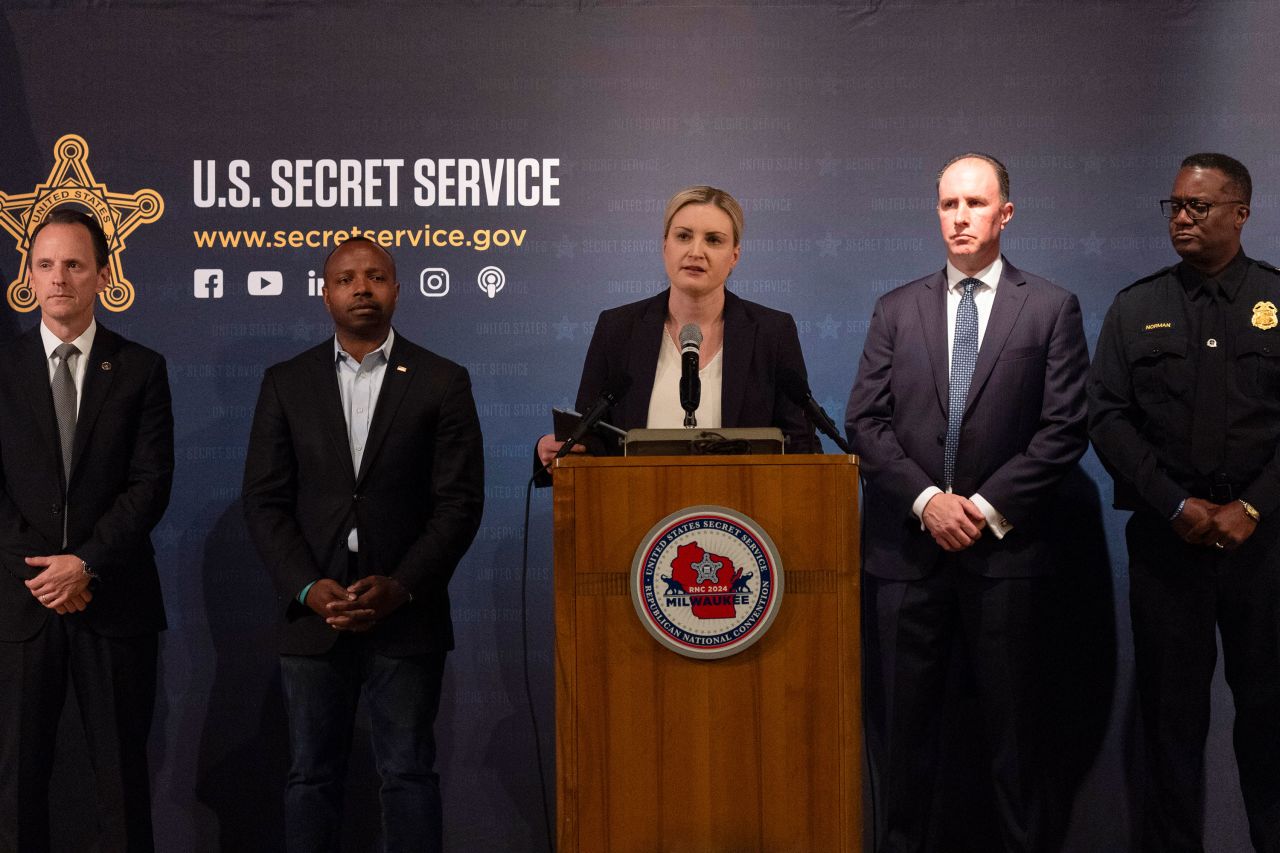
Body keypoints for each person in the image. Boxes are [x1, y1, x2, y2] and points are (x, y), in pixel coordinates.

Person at [845, 153, 1090, 852]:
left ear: (1005, 214)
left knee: (1017, 749)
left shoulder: (1049, 306)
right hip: (905, 558)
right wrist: (928, 500)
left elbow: (1064, 429)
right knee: (903, 748)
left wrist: (980, 508)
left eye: (976, 204)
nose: (960, 216)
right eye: (949, 204)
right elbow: (865, 423)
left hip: (1007, 561)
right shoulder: (896, 307)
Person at [242, 236, 484, 853]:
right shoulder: (286, 382)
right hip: (312, 612)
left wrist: (402, 587)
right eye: (347, 278)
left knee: (406, 774)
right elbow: (265, 501)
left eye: (375, 277)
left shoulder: (443, 381)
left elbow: (459, 504)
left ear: (397, 291)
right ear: (327, 294)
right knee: (309, 776)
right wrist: (306, 586)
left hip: (406, 613)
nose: (362, 288)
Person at [1088, 153, 1280, 852]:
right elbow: (1105, 414)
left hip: (1265, 547)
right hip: (1169, 545)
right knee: (1171, 722)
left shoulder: (1276, 300)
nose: (1183, 218)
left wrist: (1252, 506)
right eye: (1174, 206)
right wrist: (1174, 504)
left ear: (1242, 212)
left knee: (1269, 717)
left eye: (1199, 206)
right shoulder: (1137, 307)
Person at [0, 208, 173, 852]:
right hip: (21, 607)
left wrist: (86, 564)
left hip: (114, 602)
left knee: (122, 787)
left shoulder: (141, 369)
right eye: (44, 265)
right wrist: (46, 573)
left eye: (73, 265)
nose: (58, 279)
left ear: (102, 275)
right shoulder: (5, 368)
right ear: (30, 276)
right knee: (16, 789)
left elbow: (150, 485)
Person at [535, 185, 819, 470]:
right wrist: (558, 452)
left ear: (734, 255)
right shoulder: (618, 329)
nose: (696, 252)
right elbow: (592, 438)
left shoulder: (772, 332)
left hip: (742, 512)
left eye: (713, 240)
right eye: (683, 236)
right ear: (665, 246)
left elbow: (800, 444)